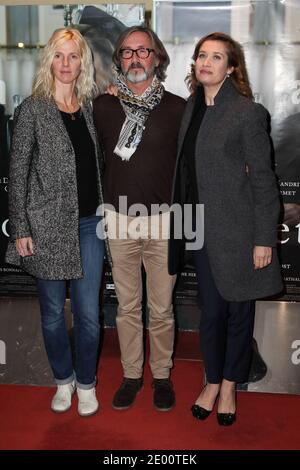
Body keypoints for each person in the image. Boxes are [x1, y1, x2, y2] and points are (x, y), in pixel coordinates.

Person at [169, 32, 283, 425]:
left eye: (217, 57)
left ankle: (231, 384)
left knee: (238, 312)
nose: (206, 62)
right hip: (200, 232)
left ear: (231, 68)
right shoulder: (190, 109)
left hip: (239, 231)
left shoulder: (247, 113)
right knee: (211, 313)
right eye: (202, 55)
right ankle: (212, 380)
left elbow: (264, 181)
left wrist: (264, 238)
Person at [5, 28, 107, 417]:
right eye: (59, 56)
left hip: (89, 225)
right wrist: (22, 229)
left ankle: (86, 384)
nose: (66, 64)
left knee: (89, 314)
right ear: (49, 60)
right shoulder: (33, 107)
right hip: (46, 225)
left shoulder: (91, 107)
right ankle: (62, 380)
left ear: (83, 62)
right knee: (51, 313)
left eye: (74, 56)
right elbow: (18, 173)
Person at [93, 26, 185, 411]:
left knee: (161, 308)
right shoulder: (102, 105)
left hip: (164, 220)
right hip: (118, 219)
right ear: (119, 60)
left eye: (142, 51)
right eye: (127, 52)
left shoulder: (180, 108)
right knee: (128, 306)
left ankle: (161, 376)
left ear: (157, 58)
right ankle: (132, 375)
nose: (134, 57)